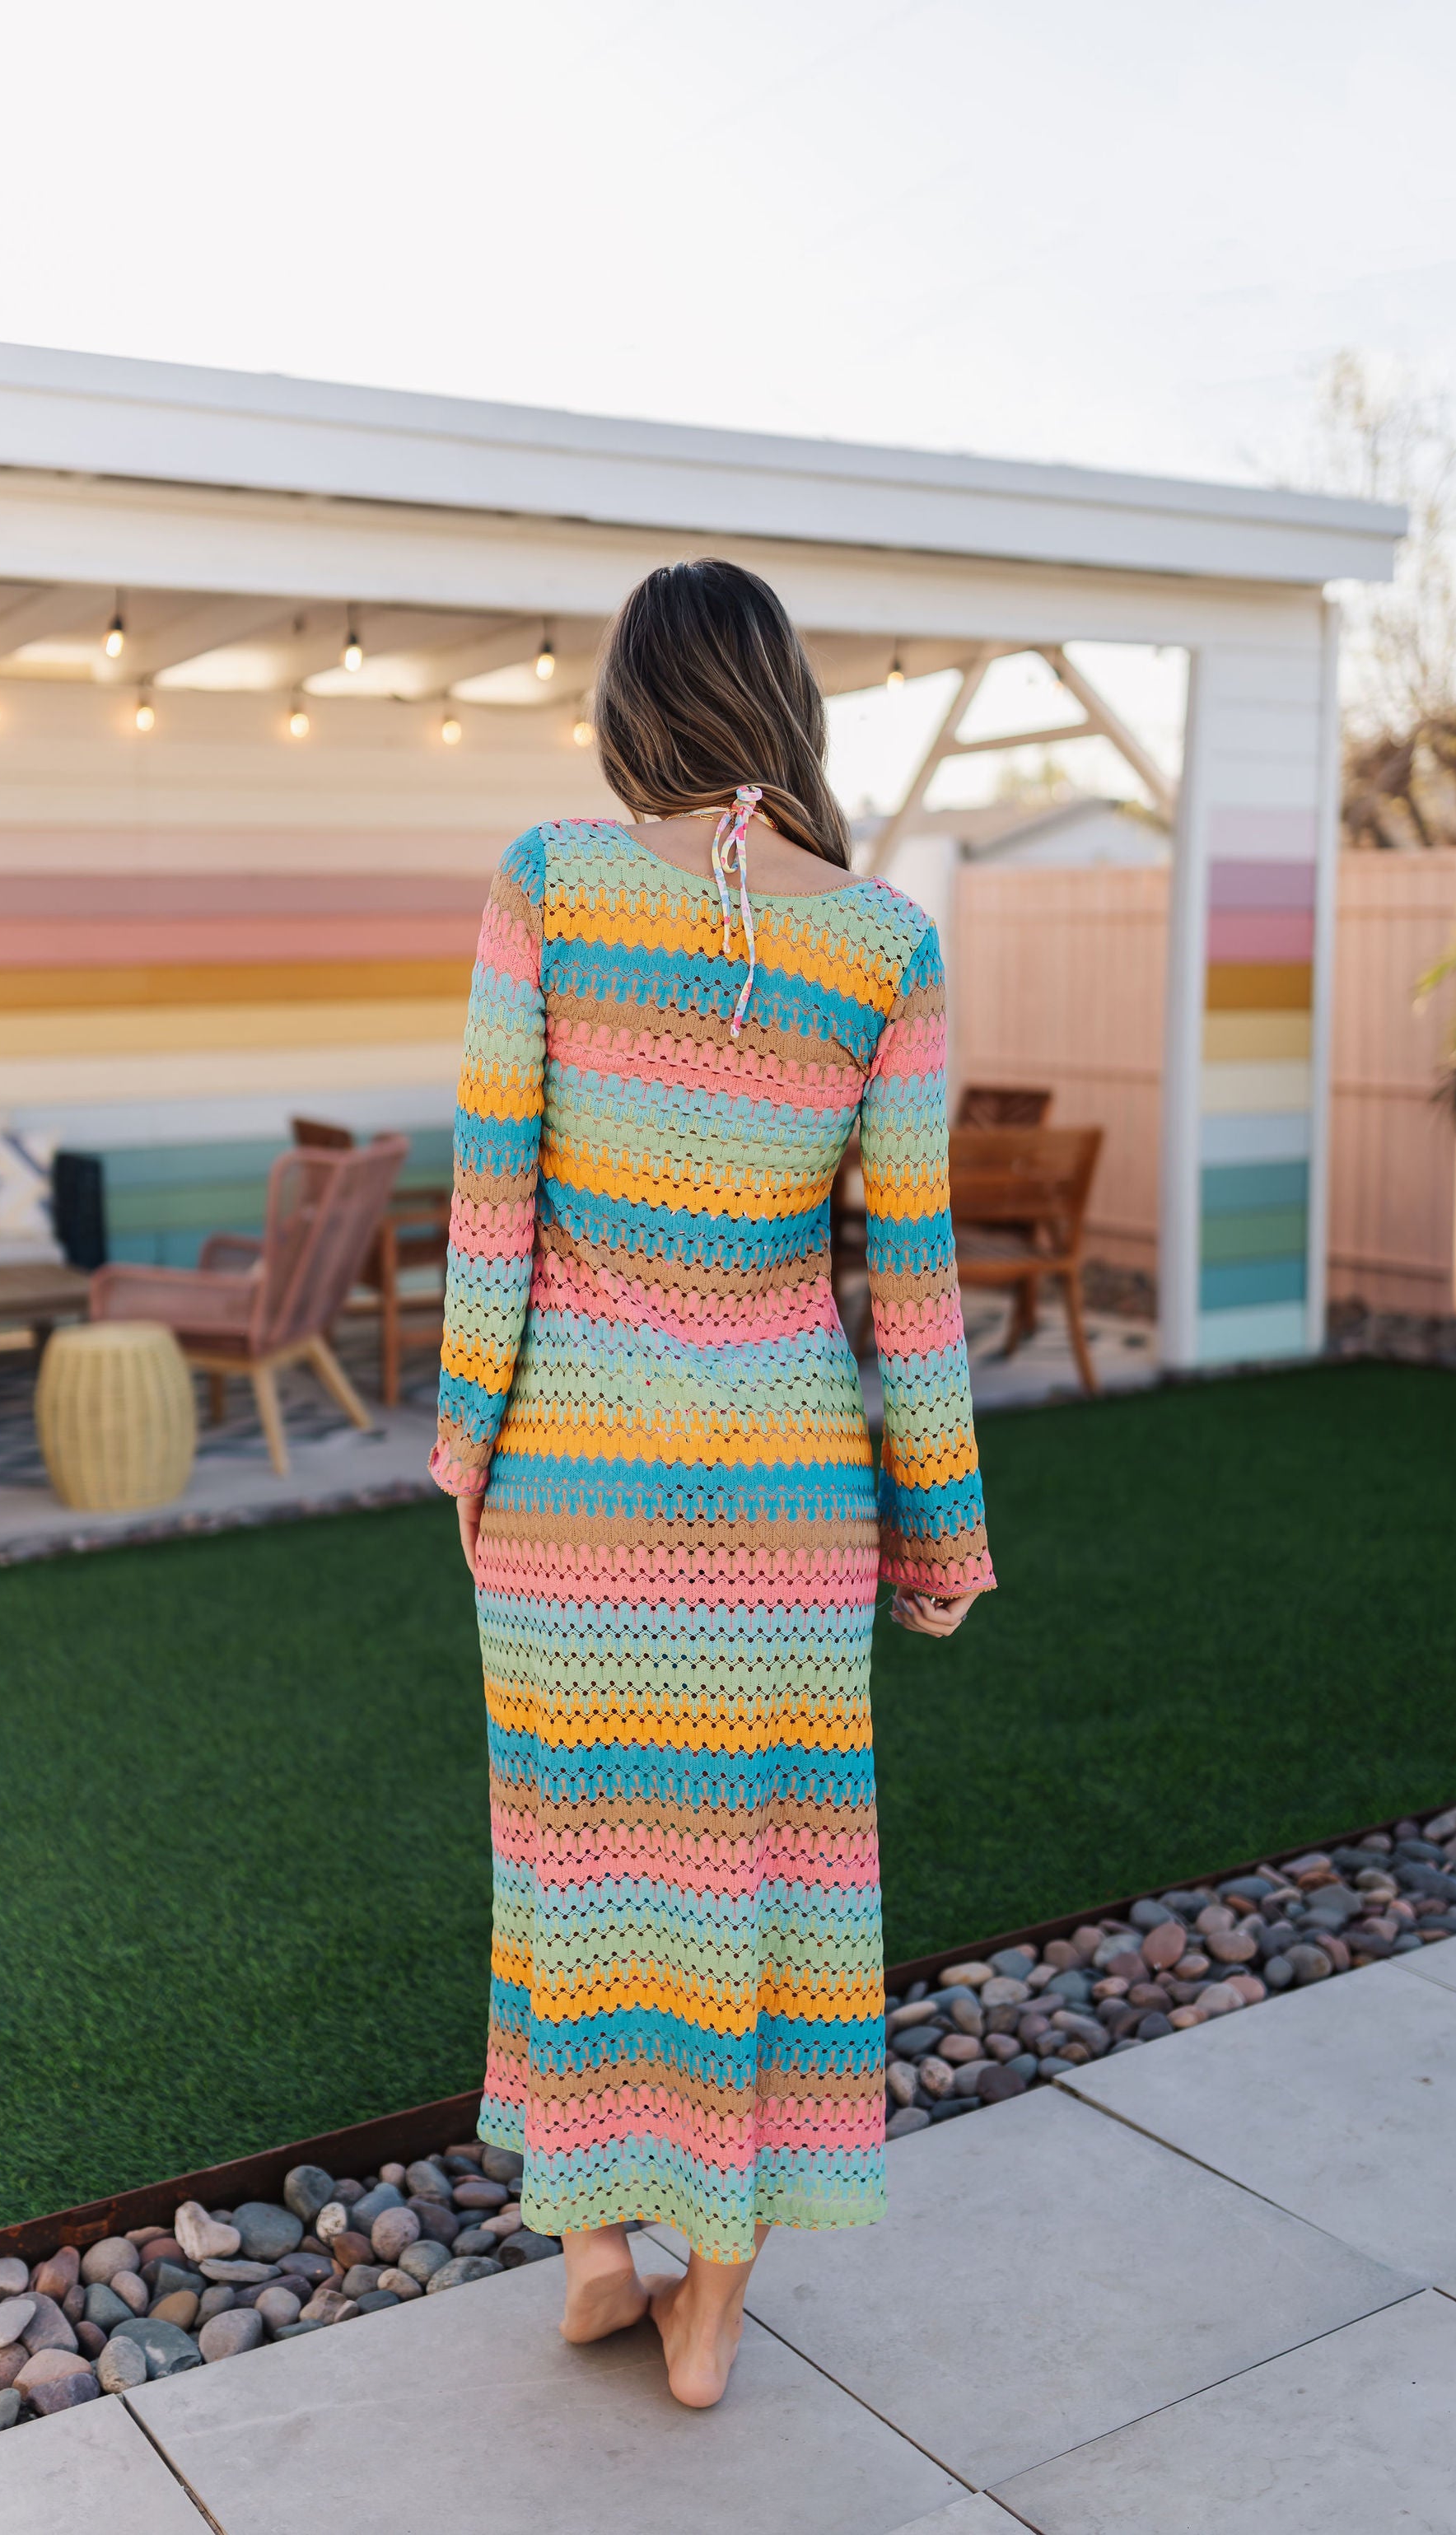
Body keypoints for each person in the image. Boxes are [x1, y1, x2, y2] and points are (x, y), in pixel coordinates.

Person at [429, 557, 994, 2407]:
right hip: (783, 1502)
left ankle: (594, 2244)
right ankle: (714, 2314)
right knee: (759, 1883)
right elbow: (903, 1284)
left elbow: (490, 1211)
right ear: (786, 707)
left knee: (578, 1857)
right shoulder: (886, 945)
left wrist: (462, 1451)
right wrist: (943, 1533)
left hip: (570, 1485)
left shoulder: (548, 887)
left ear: (631, 706)